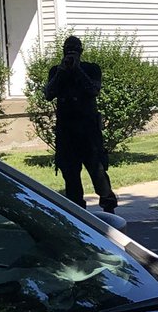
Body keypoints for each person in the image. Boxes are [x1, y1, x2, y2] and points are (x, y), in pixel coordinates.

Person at [43, 36, 117, 213]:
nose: (70, 53)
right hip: (66, 131)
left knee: (97, 170)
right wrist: (62, 71)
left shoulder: (91, 69)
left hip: (88, 130)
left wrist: (77, 70)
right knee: (70, 175)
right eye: (67, 49)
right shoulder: (56, 71)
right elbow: (48, 94)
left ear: (81, 51)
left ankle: (108, 206)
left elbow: (94, 90)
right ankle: (78, 211)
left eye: (74, 49)